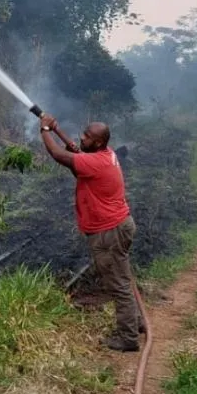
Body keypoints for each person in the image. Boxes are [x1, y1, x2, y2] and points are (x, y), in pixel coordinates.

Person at [38, 113, 142, 352]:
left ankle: (128, 338)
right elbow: (78, 162)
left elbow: (58, 155)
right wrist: (57, 129)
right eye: (83, 133)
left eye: (87, 136)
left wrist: (45, 130)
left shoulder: (95, 162)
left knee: (118, 285)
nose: (81, 137)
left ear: (98, 142)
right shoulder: (106, 154)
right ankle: (135, 323)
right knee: (122, 279)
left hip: (109, 232)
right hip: (120, 226)